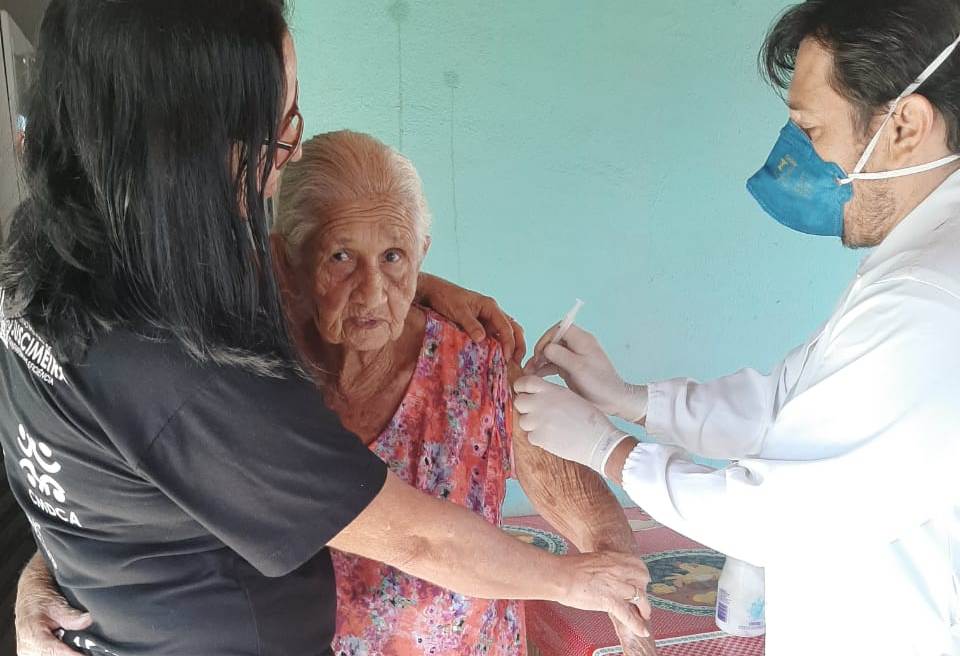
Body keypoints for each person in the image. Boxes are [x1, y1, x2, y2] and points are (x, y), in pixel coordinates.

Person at [1, 2, 652, 656]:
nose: (281, 164)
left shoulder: (53, 262)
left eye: (395, 256)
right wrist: (572, 581)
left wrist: (619, 579)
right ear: (287, 259)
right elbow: (418, 539)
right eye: (276, 132)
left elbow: (117, 479)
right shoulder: (203, 357)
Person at [514, 1, 960, 655]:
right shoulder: (918, 262)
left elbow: (779, 516)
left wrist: (609, 450)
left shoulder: (930, 298)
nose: (795, 156)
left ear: (906, 125)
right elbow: (786, 406)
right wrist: (630, 400)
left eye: (811, 128)